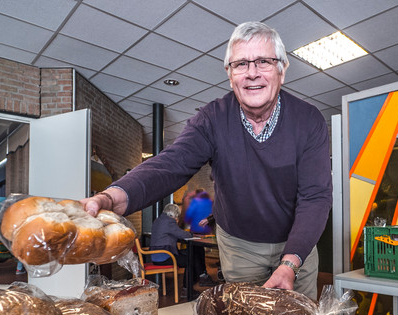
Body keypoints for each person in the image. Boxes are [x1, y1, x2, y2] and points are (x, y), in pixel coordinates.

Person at [81, 21, 332, 300]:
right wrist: (110, 197)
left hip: (297, 242)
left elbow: (315, 197)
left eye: (263, 61)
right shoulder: (212, 119)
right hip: (240, 245)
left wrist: (290, 263)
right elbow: (170, 164)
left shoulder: (309, 121)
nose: (252, 73)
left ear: (282, 69)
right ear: (229, 74)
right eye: (241, 64)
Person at [149, 203, 213, 288]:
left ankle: (201, 277)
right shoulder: (169, 222)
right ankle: (187, 288)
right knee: (190, 259)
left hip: (157, 255)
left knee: (194, 251)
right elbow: (182, 234)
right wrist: (192, 234)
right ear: (174, 215)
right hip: (164, 256)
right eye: (177, 216)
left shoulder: (158, 220)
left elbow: (174, 233)